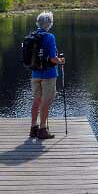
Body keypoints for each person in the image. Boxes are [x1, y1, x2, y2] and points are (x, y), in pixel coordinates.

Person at [27, 11, 66, 139]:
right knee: (46, 101)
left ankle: (33, 128)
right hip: (48, 74)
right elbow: (53, 58)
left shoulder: (32, 35)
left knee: (37, 101)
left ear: (38, 23)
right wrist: (61, 61)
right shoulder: (50, 37)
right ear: (49, 24)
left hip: (35, 74)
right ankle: (43, 129)